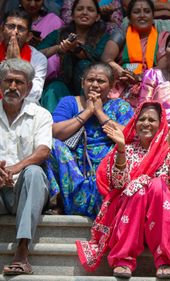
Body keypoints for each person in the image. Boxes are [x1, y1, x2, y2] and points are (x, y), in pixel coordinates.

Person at [76, 102, 170, 279]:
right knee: (138, 190)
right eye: (141, 119)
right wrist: (120, 148)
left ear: (161, 123)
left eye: (152, 119)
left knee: (157, 185)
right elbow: (119, 184)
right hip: (128, 211)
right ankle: (123, 259)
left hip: (157, 213)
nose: (146, 123)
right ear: (135, 123)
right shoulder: (126, 148)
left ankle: (164, 259)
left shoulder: (168, 150)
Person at [45, 63, 134, 218]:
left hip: (106, 169)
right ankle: (60, 201)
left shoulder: (120, 106)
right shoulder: (69, 102)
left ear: (112, 85)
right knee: (50, 145)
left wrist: (99, 112)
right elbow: (55, 132)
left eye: (100, 81)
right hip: (73, 167)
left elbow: (129, 136)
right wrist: (87, 112)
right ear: (82, 83)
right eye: (90, 80)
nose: (94, 85)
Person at [0, 59, 52, 275]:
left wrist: (13, 168)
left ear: (29, 87)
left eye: (19, 82)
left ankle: (22, 251)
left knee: (33, 172)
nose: (13, 87)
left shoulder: (40, 114)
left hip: (27, 189)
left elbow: (43, 151)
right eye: (8, 81)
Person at [38, 0, 110, 112]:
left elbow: (99, 59)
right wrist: (59, 48)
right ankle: (54, 126)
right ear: (72, 15)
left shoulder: (103, 37)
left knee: (85, 65)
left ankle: (87, 115)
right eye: (80, 9)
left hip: (91, 89)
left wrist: (75, 48)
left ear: (97, 17)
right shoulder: (60, 34)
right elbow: (36, 54)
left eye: (90, 10)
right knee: (54, 86)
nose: (84, 12)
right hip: (64, 84)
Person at [102, 0, 169, 107]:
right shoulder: (121, 34)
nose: (142, 15)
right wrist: (120, 71)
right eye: (137, 12)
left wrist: (139, 77)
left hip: (152, 85)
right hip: (122, 84)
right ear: (129, 18)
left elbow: (163, 66)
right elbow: (106, 59)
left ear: (153, 16)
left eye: (147, 11)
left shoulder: (163, 37)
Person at [0, 9, 47, 103]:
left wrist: (18, 64)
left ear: (29, 36)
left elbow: (35, 95)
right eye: (11, 27)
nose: (15, 32)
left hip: (24, 107)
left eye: (21, 28)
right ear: (1, 30)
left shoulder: (38, 58)